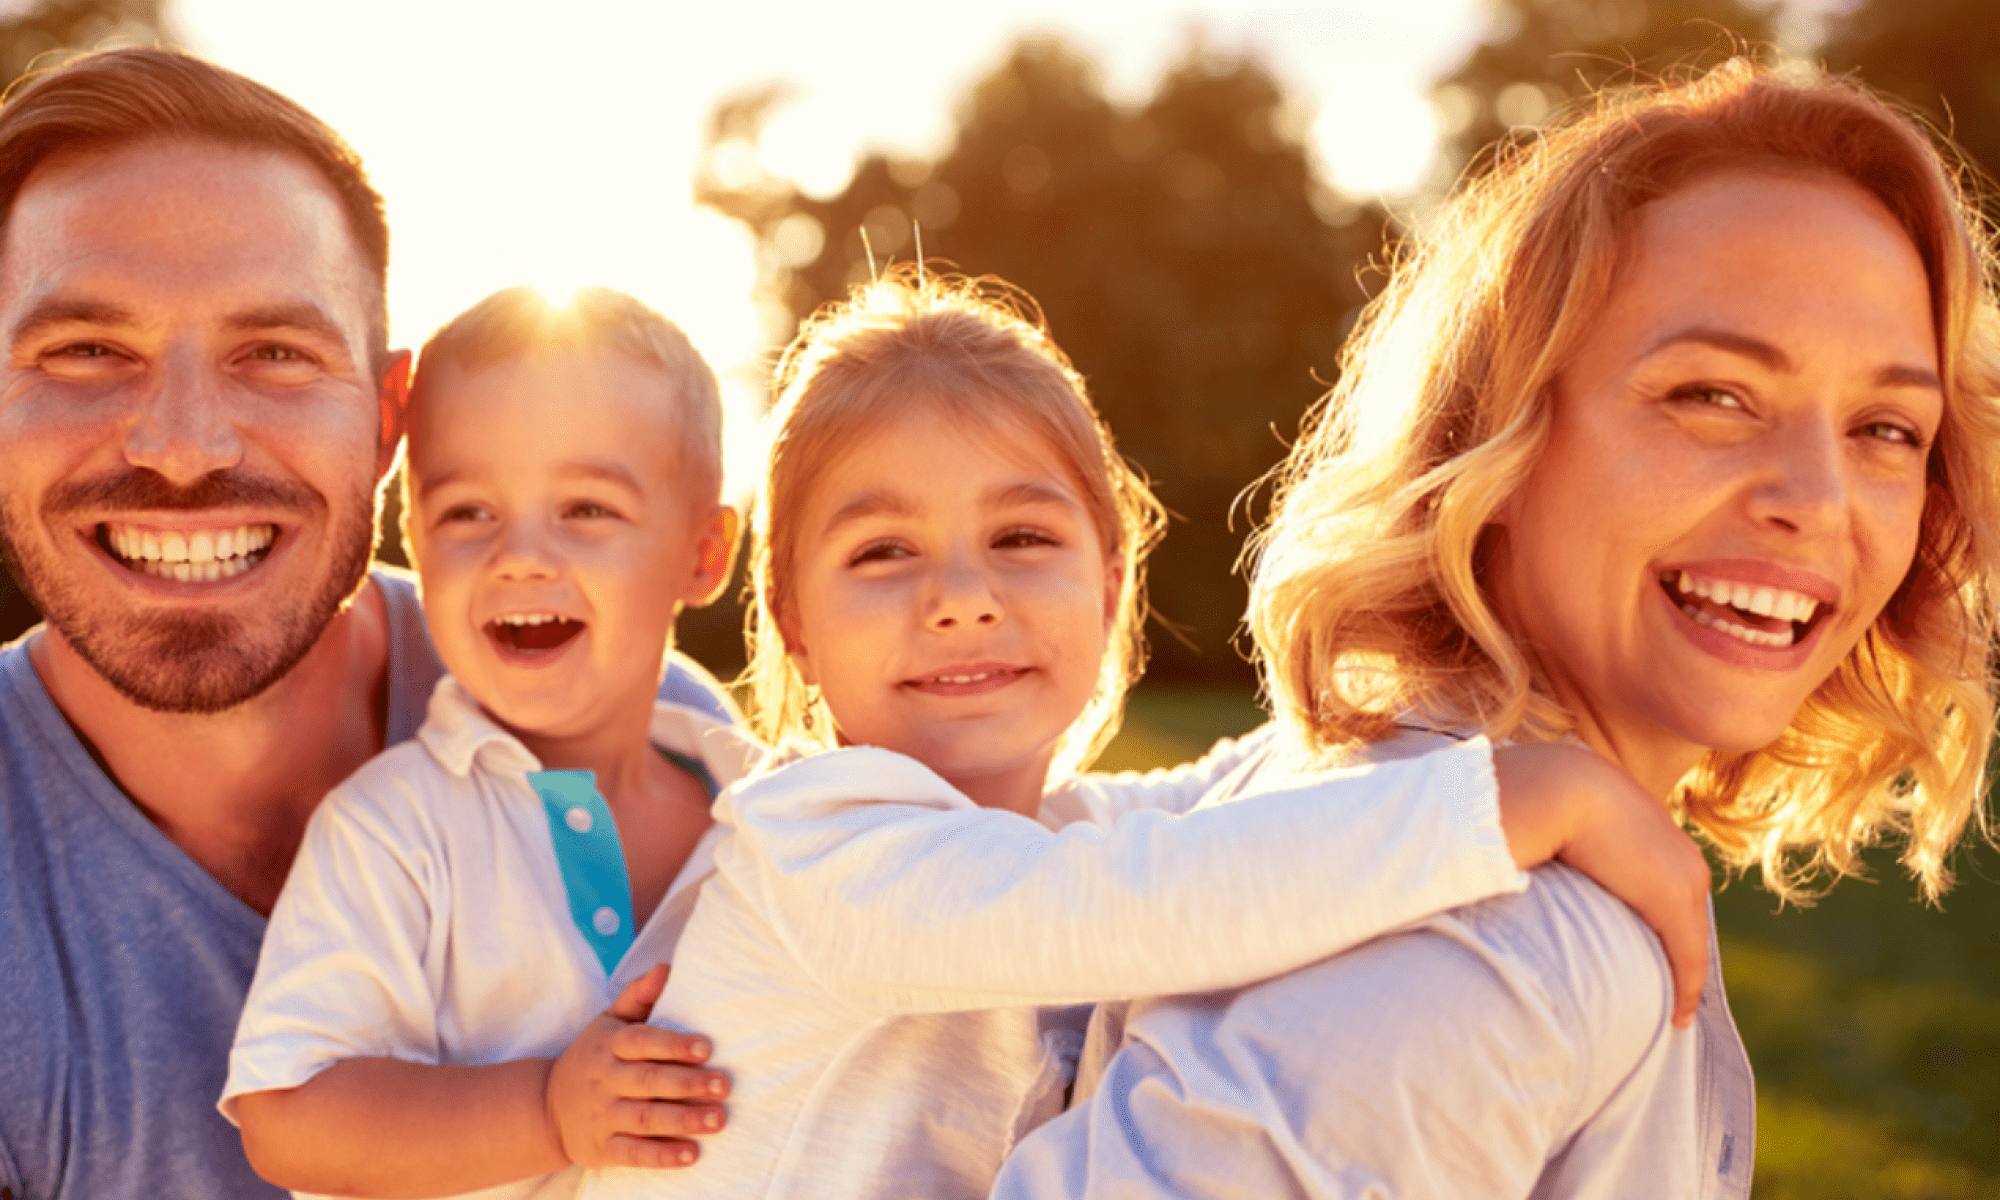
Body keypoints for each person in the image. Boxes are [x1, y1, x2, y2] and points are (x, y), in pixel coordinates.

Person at [991, 59, 2000, 1199]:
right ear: (1501, 439)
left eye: (1883, 427)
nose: (1813, 499)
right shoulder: (1490, 949)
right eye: (1710, 395)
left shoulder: (1340, 803)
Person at [583, 270, 1716, 1200]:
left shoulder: (1048, 828)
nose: (962, 596)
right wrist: (1516, 803)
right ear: (791, 620)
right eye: (882, 552)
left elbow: (1237, 788)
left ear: (1113, 580)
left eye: (1022, 536)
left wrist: (1449, 704)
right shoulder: (813, 847)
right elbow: (1156, 891)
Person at [0, 50, 729, 1200]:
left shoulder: (656, 736)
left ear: (388, 418)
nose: (184, 445)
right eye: (87, 350)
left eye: (276, 354)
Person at [221, 287, 747, 1199]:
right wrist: (547, 1110)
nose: (520, 555)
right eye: (468, 513)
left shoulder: (759, 808)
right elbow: (288, 1115)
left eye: (585, 509)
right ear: (414, 543)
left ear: (703, 555)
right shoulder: (395, 830)